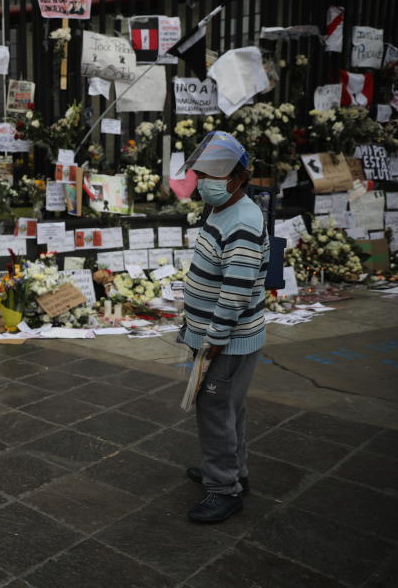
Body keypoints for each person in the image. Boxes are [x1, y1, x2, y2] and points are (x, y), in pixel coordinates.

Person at [177, 131, 269, 524]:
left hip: (227, 342)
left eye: (212, 175)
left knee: (216, 412)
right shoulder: (224, 209)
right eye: (201, 174)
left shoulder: (244, 221)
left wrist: (212, 343)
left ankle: (223, 490)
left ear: (236, 178)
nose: (204, 183)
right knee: (229, 410)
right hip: (220, 338)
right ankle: (233, 472)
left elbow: (235, 294)